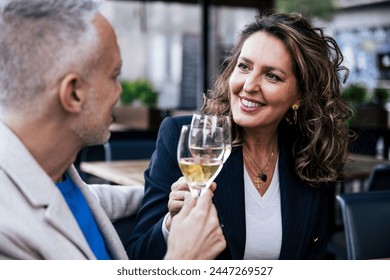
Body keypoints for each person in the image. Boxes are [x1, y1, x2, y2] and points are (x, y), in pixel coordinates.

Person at [0, 0, 225, 260]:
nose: (119, 91)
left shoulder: (57, 177)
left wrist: (165, 196)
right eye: (114, 76)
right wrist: (182, 260)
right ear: (73, 93)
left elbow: (97, 198)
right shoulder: (8, 233)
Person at [127, 12, 353, 260]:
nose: (249, 85)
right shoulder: (186, 140)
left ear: (299, 96)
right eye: (244, 66)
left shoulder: (308, 155)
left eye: (272, 76)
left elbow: (316, 259)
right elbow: (138, 258)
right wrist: (171, 225)